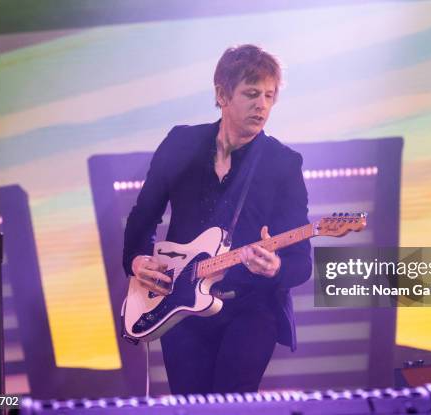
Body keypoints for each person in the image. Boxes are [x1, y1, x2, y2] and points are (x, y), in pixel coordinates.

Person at [122, 44, 312, 394]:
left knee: (231, 403)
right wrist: (137, 261)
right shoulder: (181, 143)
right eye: (252, 94)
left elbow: (301, 264)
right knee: (191, 404)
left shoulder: (283, 163)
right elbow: (143, 215)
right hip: (180, 305)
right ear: (222, 94)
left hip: (251, 308)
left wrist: (274, 268)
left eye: (270, 96)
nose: (262, 105)